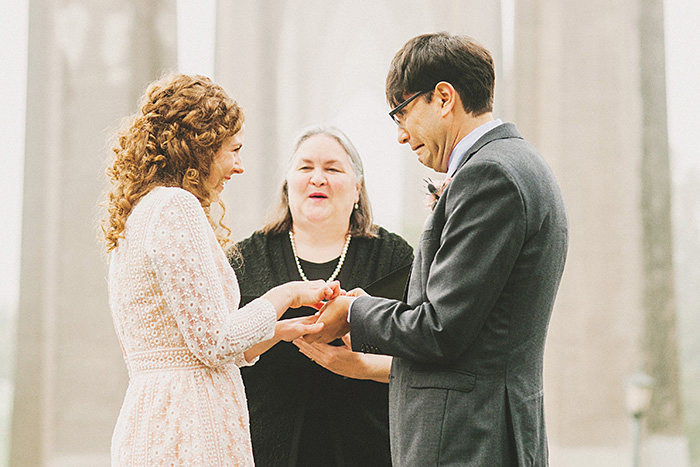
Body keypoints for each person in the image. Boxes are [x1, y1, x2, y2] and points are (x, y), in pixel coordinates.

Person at [306, 33, 569, 466]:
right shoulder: (520, 164)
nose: (400, 136)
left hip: (467, 440)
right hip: (490, 432)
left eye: (402, 113)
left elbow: (441, 329)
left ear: (444, 97)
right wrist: (367, 306)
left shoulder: (490, 178)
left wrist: (354, 313)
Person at [101, 74, 341, 467]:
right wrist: (289, 294)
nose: (239, 166)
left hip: (153, 419)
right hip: (189, 427)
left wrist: (278, 332)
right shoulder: (176, 208)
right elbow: (215, 342)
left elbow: (194, 347)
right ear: (201, 147)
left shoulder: (141, 213)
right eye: (233, 150)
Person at [231, 125, 414, 467]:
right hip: (266, 449)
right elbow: (222, 351)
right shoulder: (244, 258)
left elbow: (420, 356)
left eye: (332, 168)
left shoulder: (394, 258)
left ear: (357, 188)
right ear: (288, 184)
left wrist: (360, 364)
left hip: (369, 449)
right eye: (305, 168)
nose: (318, 178)